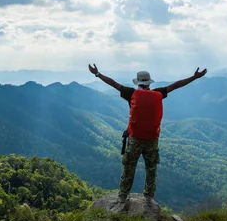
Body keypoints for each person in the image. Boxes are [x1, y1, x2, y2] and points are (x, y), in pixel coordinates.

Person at [87, 64, 207, 209]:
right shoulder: (158, 93)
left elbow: (113, 83)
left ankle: (123, 197)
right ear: (149, 82)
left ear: (138, 82)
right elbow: (176, 85)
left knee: (129, 168)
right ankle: (149, 198)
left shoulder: (131, 93)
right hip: (152, 139)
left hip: (135, 138)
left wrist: (97, 73)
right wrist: (194, 77)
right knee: (151, 168)